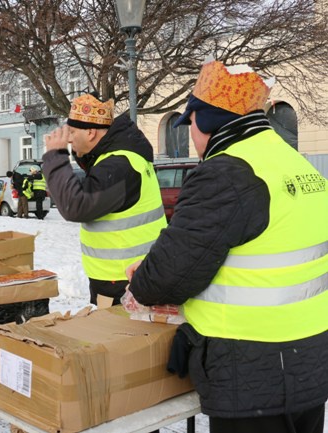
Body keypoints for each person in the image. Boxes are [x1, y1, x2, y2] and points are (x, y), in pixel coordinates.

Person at [126, 60, 328, 433]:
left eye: (192, 127)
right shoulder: (294, 163)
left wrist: (144, 276)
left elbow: (167, 278)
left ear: (206, 121)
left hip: (254, 373)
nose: (193, 140)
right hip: (309, 363)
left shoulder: (226, 173)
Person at [42, 92, 166, 305]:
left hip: (124, 283)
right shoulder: (121, 158)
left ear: (91, 132)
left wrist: (55, 156)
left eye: (72, 132)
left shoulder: (118, 165)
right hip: (125, 277)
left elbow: (76, 206)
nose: (69, 139)